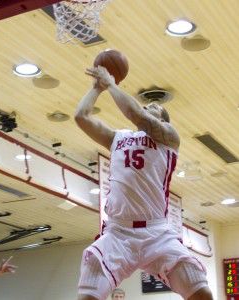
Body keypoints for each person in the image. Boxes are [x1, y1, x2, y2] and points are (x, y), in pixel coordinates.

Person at [75, 66, 213, 300]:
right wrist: (96, 89)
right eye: (148, 106)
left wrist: (111, 85)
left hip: (156, 232)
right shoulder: (118, 138)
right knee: (88, 294)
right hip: (118, 231)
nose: (149, 108)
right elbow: (82, 117)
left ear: (163, 120)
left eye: (155, 108)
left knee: (202, 293)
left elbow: (137, 115)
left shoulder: (168, 138)